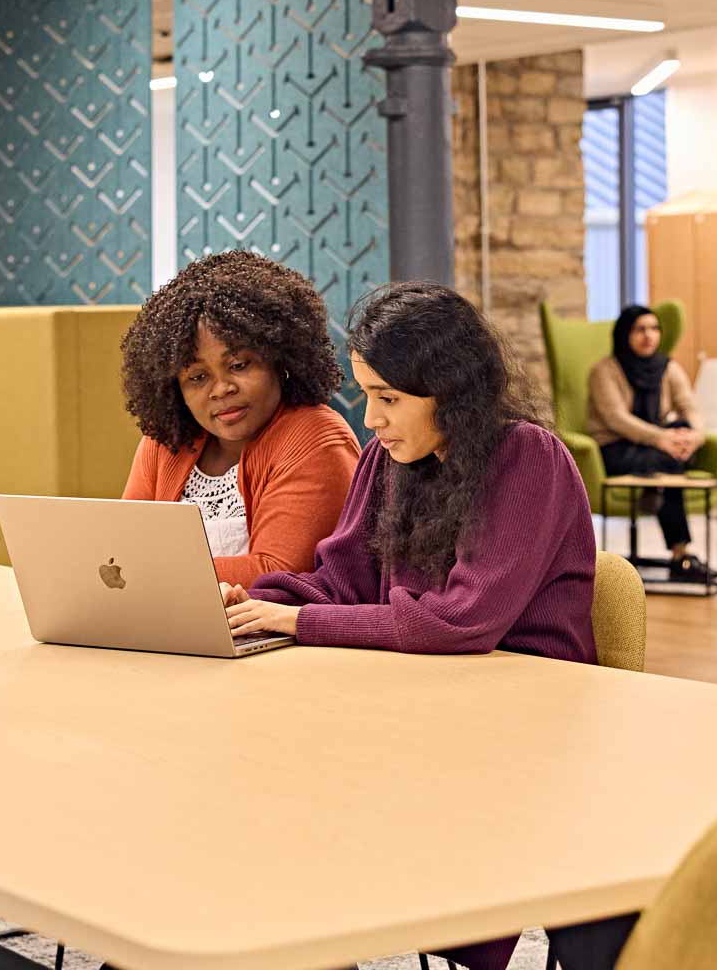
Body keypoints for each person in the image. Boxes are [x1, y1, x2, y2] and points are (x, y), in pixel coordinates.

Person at [220, 281, 596, 970]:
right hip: (419, 701)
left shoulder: (527, 460)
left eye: (389, 399)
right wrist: (250, 600)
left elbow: (461, 622)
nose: (372, 420)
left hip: (522, 725)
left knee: (302, 801)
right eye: (367, 395)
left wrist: (301, 621)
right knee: (270, 799)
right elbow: (338, 582)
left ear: (451, 392)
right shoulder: (388, 462)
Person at [120, 251, 360, 587]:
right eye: (197, 377)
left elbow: (277, 574)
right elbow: (121, 550)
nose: (221, 389)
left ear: (280, 357)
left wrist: (147, 572)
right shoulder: (165, 441)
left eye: (238, 365)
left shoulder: (315, 439)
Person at [586, 305, 717, 584]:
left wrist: (694, 436)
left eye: (654, 329)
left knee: (678, 437)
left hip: (656, 448)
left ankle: (655, 495)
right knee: (672, 459)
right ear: (625, 334)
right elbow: (616, 419)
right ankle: (680, 554)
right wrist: (662, 439)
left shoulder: (667, 367)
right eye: (640, 329)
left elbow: (691, 408)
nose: (649, 336)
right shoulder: (605, 370)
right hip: (615, 449)